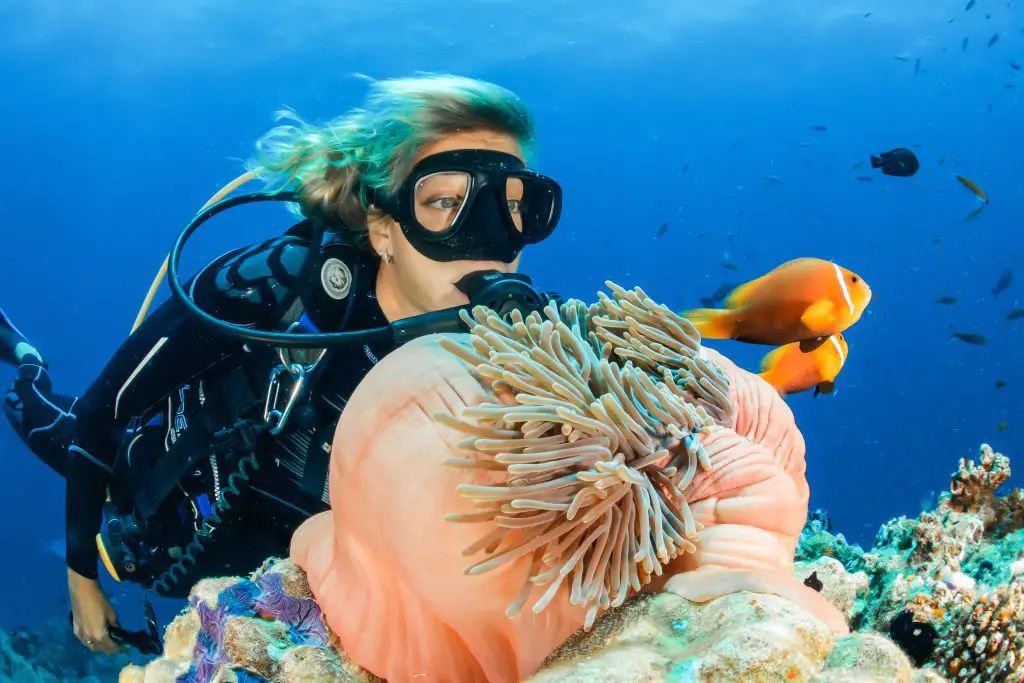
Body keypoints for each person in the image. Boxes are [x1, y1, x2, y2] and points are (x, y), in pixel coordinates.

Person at [1, 73, 563, 655]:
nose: (494, 238)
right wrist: (81, 581)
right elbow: (100, 411)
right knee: (43, 417)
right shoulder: (271, 288)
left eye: (517, 207)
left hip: (289, 574)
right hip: (155, 489)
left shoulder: (513, 351)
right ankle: (22, 356)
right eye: (446, 202)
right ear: (383, 226)